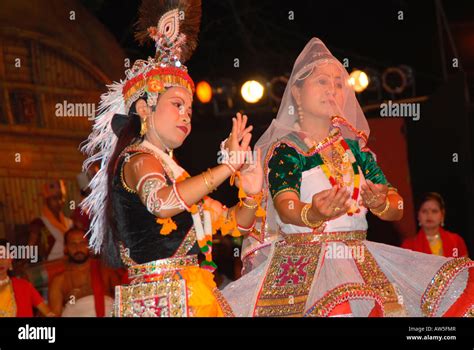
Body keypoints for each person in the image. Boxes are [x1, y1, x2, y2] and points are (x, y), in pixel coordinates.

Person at [222, 38, 474, 317]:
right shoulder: (288, 150)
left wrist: (382, 203)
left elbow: (396, 206)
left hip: (359, 260)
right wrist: (313, 213)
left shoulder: (355, 149)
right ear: (296, 91)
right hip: (305, 266)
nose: (332, 89)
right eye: (322, 82)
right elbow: (285, 206)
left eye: (339, 84)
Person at [80, 0, 264, 317]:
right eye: (177, 105)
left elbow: (236, 226)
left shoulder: (176, 174)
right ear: (143, 108)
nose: (186, 117)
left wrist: (250, 191)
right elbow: (161, 203)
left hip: (196, 295)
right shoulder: (136, 161)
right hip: (158, 303)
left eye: (190, 110)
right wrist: (225, 168)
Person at [48, 229, 119, 317]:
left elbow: (122, 299)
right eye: (73, 244)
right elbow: (55, 313)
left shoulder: (106, 270)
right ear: (65, 248)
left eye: (82, 243)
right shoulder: (59, 281)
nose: (78, 248)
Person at [402, 192, 468, 258]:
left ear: (442, 215)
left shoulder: (456, 241)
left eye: (434, 211)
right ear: (418, 216)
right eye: (424, 211)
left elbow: (466, 267)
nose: (429, 215)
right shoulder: (408, 246)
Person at [0, 239, 55, 317]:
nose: (1, 261)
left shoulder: (24, 286)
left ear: (10, 259)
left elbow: (48, 313)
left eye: (4, 256)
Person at [28, 180, 73, 262]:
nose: (59, 202)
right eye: (55, 198)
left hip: (69, 264)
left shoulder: (70, 222)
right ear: (46, 200)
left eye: (61, 198)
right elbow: (31, 247)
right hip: (50, 267)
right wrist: (22, 263)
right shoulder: (39, 223)